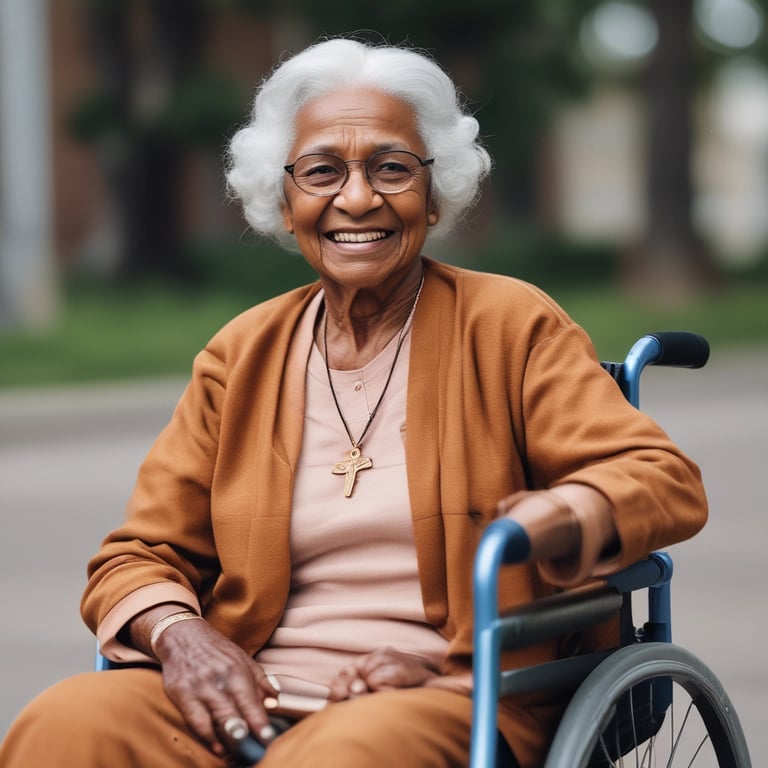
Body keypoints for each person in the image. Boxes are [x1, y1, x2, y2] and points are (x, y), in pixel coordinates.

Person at [0, 37, 707, 768]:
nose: (359, 197)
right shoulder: (241, 354)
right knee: (66, 725)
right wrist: (184, 638)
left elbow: (658, 478)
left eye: (392, 168)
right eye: (322, 172)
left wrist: (559, 514)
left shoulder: (510, 325)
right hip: (253, 694)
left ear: (435, 194)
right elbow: (138, 555)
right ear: (286, 198)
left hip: (448, 695)